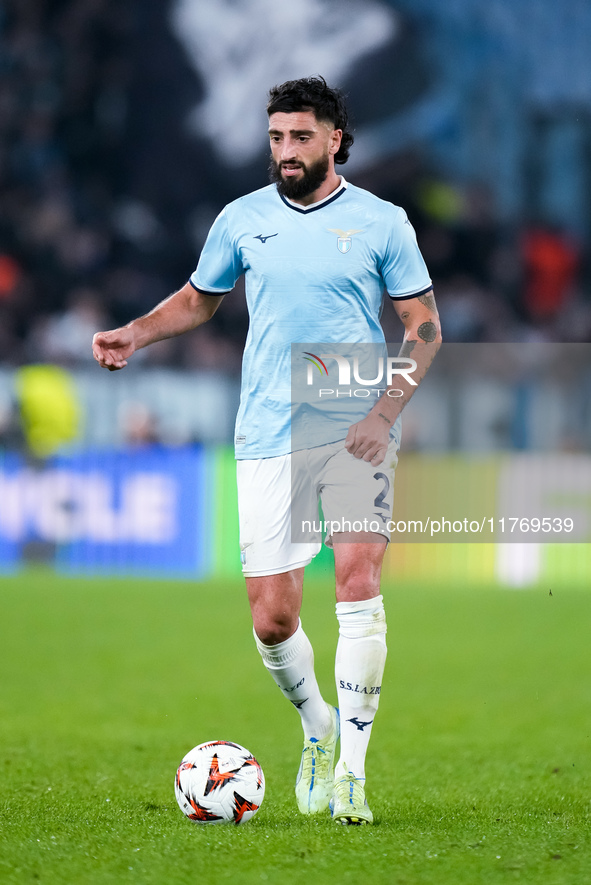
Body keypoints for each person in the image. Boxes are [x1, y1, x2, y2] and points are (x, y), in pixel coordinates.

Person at [92, 76, 441, 825]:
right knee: (273, 619)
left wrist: (385, 412)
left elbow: (423, 328)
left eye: (300, 137)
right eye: (277, 137)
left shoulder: (382, 222)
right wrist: (136, 332)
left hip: (354, 419)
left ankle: (351, 769)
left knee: (357, 578)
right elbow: (199, 297)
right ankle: (315, 721)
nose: (285, 150)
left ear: (335, 139)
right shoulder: (240, 218)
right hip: (267, 427)